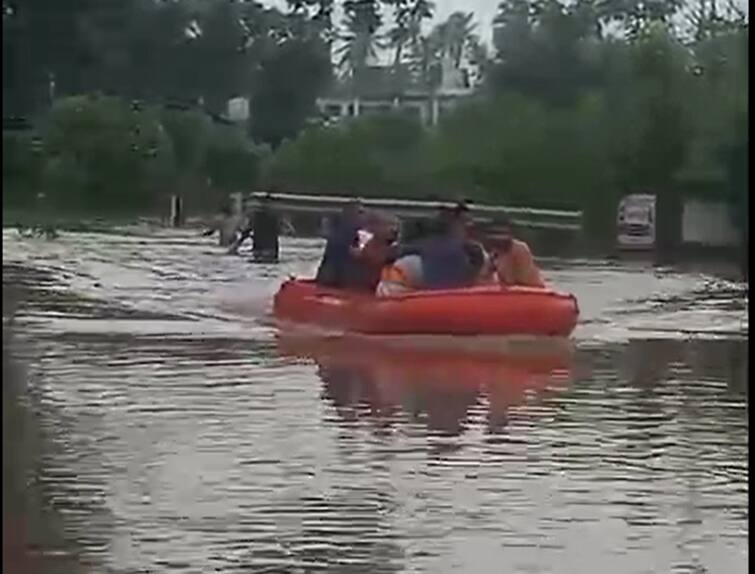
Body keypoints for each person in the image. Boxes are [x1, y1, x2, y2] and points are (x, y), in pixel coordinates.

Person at [315, 200, 366, 288]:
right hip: (334, 277)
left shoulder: (359, 233)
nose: (363, 217)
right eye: (359, 213)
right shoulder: (341, 234)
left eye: (362, 213)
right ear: (349, 214)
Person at [487, 219, 545, 288]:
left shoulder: (520, 249)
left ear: (511, 235)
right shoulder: (494, 253)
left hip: (530, 290)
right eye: (495, 234)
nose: (499, 237)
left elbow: (524, 280)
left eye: (503, 234)